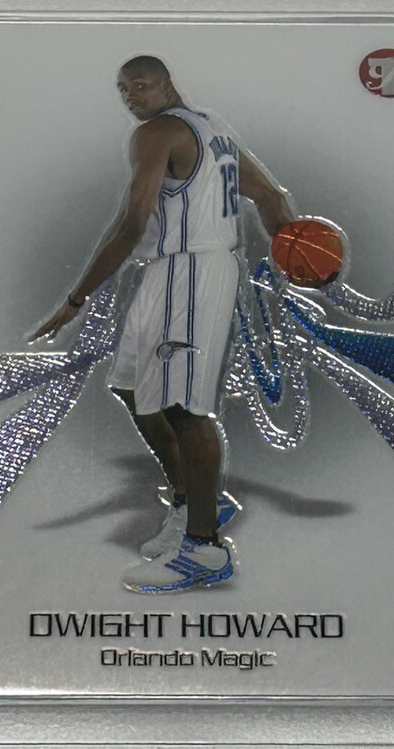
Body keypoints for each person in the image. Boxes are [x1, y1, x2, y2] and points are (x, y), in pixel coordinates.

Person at [30, 55, 292, 593]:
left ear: (167, 84)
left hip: (193, 271)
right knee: (131, 387)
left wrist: (77, 297)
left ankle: (204, 550)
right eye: (123, 90)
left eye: (140, 85)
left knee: (183, 408)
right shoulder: (212, 128)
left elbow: (132, 224)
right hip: (170, 271)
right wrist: (292, 243)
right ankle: (195, 501)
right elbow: (269, 196)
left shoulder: (157, 133)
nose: (131, 97)